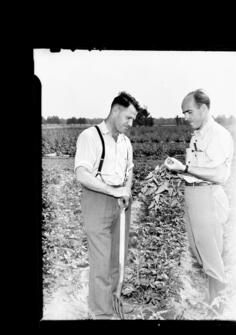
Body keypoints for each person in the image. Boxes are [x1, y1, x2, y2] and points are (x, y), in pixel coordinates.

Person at [164, 89, 234, 310]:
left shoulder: (218, 135)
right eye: (183, 113)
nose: (185, 117)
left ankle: (220, 305)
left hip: (208, 196)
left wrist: (185, 167)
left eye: (189, 112)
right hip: (193, 195)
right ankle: (212, 299)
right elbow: (196, 168)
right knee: (198, 249)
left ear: (203, 109)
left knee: (211, 253)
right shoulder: (198, 134)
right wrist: (178, 171)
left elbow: (219, 174)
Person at [74, 91, 140, 319]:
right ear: (115, 111)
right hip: (97, 201)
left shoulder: (125, 142)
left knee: (117, 262)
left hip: (121, 204)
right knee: (101, 265)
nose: (131, 124)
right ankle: (100, 314)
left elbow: (129, 170)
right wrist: (113, 191)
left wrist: (126, 190)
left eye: (133, 119)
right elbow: (82, 174)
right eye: (128, 118)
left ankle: (113, 305)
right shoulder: (90, 137)